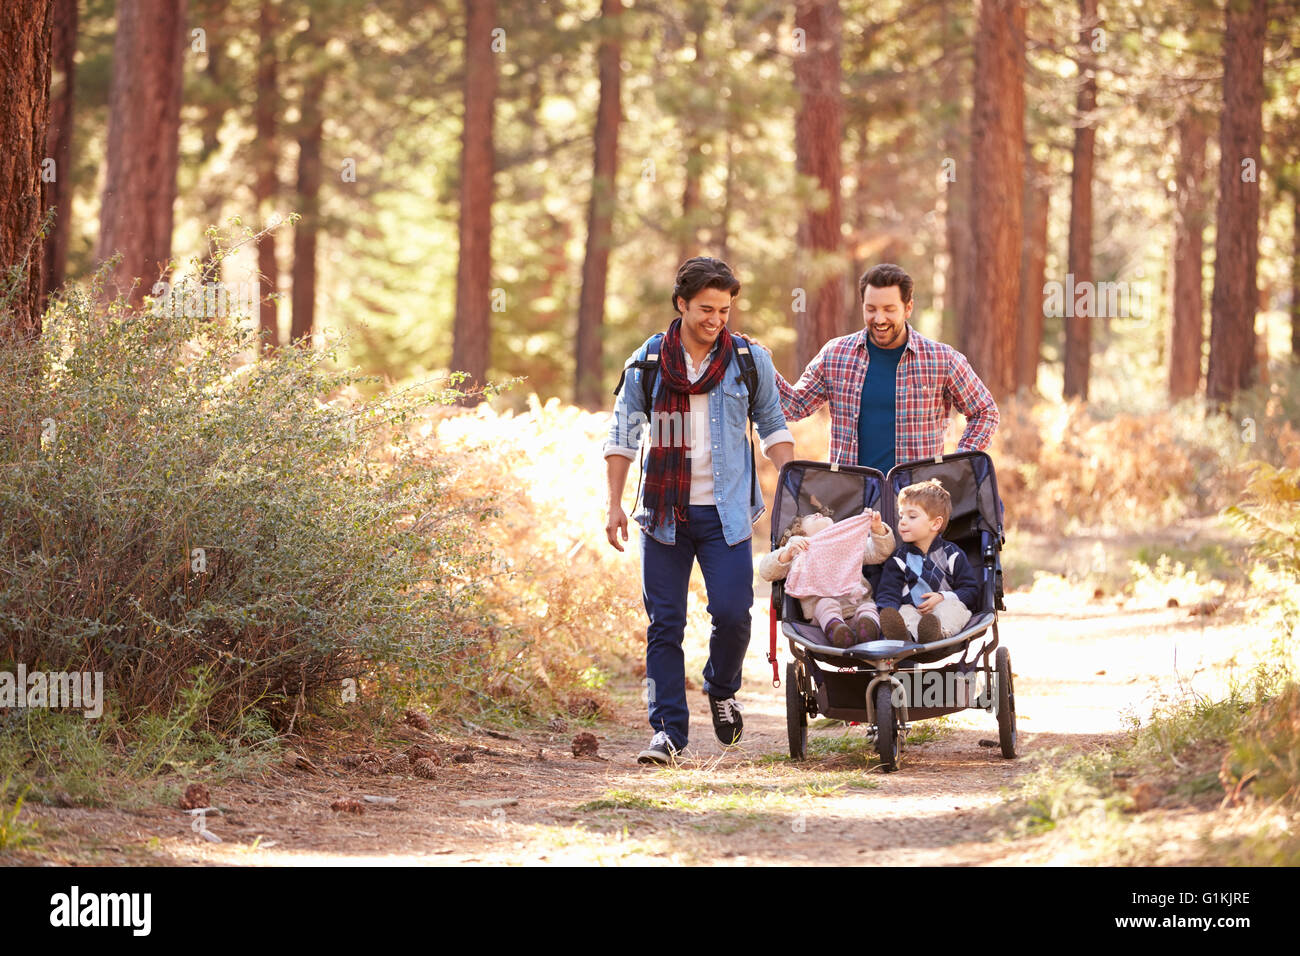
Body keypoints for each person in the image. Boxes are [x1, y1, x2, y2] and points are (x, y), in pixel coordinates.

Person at [604, 257, 794, 766]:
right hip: (664, 514)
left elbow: (773, 424)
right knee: (665, 624)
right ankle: (667, 733)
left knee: (733, 614)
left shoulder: (750, 360)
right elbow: (623, 434)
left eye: (724, 310)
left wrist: (794, 483)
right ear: (682, 303)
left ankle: (721, 685)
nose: (716, 319)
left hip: (727, 513)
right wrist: (613, 503)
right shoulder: (648, 361)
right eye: (706, 309)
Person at [777, 263, 998, 472]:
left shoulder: (942, 359)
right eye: (871, 309)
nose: (879, 318)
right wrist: (760, 364)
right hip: (851, 498)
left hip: (916, 502)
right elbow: (795, 406)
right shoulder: (835, 355)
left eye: (889, 309)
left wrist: (960, 463)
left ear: (908, 307)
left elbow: (984, 412)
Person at [758, 507, 894, 648]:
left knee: (868, 607)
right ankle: (837, 631)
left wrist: (878, 529)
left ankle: (868, 630)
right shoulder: (799, 549)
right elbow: (766, 571)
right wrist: (787, 553)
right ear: (800, 531)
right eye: (810, 516)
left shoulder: (847, 544)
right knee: (826, 604)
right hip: (822, 620)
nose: (818, 514)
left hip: (856, 608)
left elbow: (880, 553)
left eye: (822, 515)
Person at [875, 479, 979, 644]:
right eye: (901, 515)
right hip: (913, 612)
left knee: (953, 609)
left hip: (943, 611)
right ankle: (907, 636)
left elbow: (971, 591)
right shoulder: (898, 559)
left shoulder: (952, 554)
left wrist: (944, 597)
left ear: (935, 523)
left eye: (912, 516)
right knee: (903, 612)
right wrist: (888, 613)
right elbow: (888, 593)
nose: (902, 521)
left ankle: (938, 634)